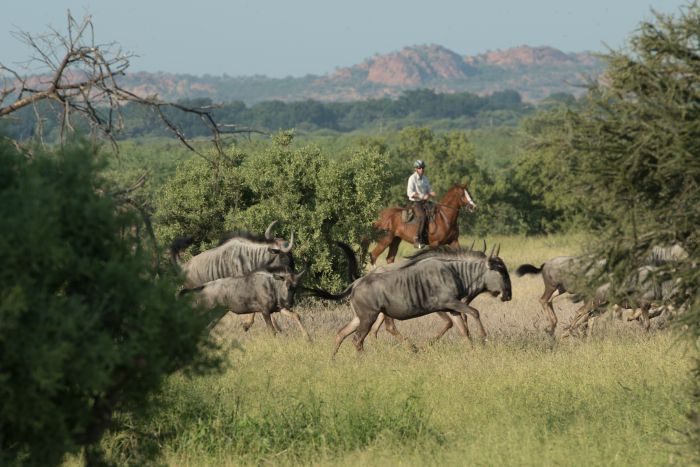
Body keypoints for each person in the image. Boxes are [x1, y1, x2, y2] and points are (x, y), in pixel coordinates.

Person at [406, 159, 436, 249]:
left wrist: (431, 192)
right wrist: (423, 196)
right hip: (415, 202)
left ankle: (430, 235)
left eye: (422, 167)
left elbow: (429, 189)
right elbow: (410, 193)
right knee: (422, 216)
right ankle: (416, 239)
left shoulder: (425, 178)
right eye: (419, 168)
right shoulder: (412, 178)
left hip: (424, 202)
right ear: (416, 169)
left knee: (436, 211)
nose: (421, 169)